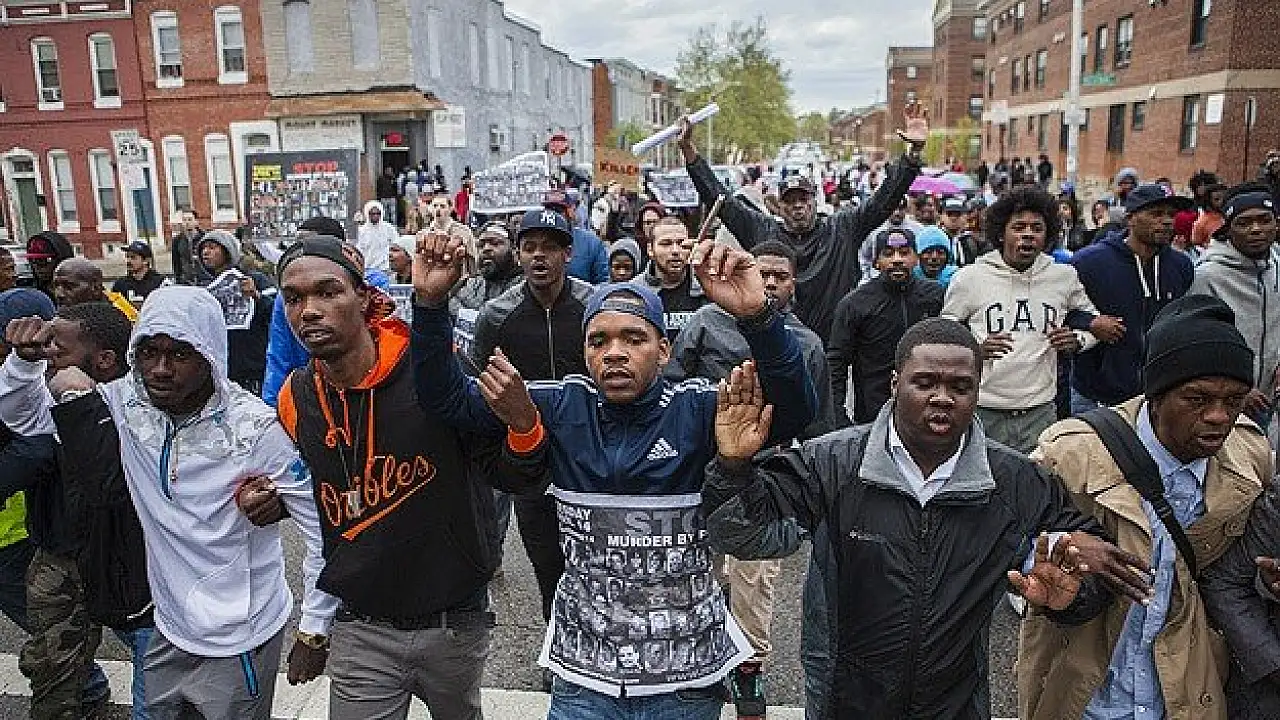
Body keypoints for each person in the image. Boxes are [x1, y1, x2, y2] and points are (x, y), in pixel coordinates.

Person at [411, 229, 817, 720]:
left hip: (685, 679)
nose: (615, 352)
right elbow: (446, 400)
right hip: (586, 678)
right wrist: (429, 306)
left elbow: (793, 410)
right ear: (585, 353)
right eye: (598, 341)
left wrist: (758, 316)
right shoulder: (561, 405)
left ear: (664, 351)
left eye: (634, 338)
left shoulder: (695, 409)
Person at [704, 317, 1149, 718]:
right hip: (845, 700)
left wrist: (1070, 598)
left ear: (978, 390)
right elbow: (744, 537)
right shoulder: (831, 462)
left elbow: (1085, 565)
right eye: (925, 382)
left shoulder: (1017, 481)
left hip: (957, 704)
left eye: (960, 386)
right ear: (895, 383)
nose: (942, 398)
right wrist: (733, 468)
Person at [24, 286, 337, 719]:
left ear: (210, 355)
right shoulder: (125, 405)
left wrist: (314, 630)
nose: (161, 369)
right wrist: (25, 366)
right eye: (149, 352)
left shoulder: (254, 429)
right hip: (166, 630)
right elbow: (24, 417)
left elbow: (321, 529)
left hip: (239, 639)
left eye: (180, 354)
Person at [262, 235, 529, 720]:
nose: (310, 311)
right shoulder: (295, 398)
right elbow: (310, 496)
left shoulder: (427, 369)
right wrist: (269, 495)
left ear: (364, 297)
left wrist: (523, 425)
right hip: (362, 624)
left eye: (328, 292)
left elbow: (504, 471)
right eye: (294, 298)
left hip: (451, 619)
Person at [1018, 294, 1269, 720]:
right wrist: (1059, 547)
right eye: (1197, 399)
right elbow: (1003, 535)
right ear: (1155, 394)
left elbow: (1245, 569)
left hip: (1186, 694)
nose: (1218, 416)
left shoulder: (1251, 458)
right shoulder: (1070, 453)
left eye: (1234, 401)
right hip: (1082, 694)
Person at [663, 239, 833, 717]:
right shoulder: (705, 322)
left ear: (793, 284)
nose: (772, 282)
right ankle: (688, 662)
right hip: (700, 474)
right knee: (691, 571)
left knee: (754, 581)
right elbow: (671, 385)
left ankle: (749, 669)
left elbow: (815, 423)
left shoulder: (805, 343)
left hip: (766, 481)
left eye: (781, 276)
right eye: (765, 273)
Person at [678, 104, 928, 343]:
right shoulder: (762, 231)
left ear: (815, 202)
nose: (798, 206)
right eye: (790, 201)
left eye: (803, 199)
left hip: (833, 350)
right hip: (776, 346)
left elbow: (884, 200)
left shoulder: (842, 229)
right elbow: (720, 200)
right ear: (779, 206)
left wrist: (913, 155)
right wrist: (689, 152)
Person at [469, 209, 593, 653]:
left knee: (596, 559)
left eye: (550, 248)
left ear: (567, 254)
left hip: (590, 456)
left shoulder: (593, 305)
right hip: (530, 458)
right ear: (519, 255)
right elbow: (480, 382)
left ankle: (599, 647)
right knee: (548, 563)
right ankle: (560, 647)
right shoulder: (496, 315)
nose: (539, 257)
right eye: (530, 248)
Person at [0, 294, 122, 719]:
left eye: (59, 350)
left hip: (126, 563)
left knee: (157, 663)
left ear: (104, 360)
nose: (48, 357)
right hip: (58, 556)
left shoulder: (135, 405)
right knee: (51, 666)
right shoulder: (51, 398)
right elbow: (18, 411)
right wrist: (23, 363)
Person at [943, 186, 1112, 453]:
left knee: (1038, 478)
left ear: (1048, 235)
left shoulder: (1063, 277)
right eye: (1019, 227)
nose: (1028, 235)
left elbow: (1095, 323)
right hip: (983, 410)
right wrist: (974, 350)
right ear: (1001, 233)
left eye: (1037, 228)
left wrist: (1077, 340)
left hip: (1040, 413)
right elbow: (943, 336)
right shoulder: (970, 278)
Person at [1070, 184, 1196, 413]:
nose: (1167, 221)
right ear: (1130, 219)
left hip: (1157, 397)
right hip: (1096, 397)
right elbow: (1060, 310)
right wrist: (1090, 323)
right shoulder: (1089, 262)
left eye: (1171, 214)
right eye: (1156, 214)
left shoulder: (1181, 265)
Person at [829, 227, 944, 425]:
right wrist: (838, 416)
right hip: (873, 414)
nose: (897, 260)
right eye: (888, 254)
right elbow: (836, 362)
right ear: (876, 262)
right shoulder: (855, 304)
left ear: (916, 258)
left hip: (927, 409)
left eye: (904, 253)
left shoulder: (935, 295)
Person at [1188, 188, 1279, 427]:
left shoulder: (1277, 267)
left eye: (1264, 220)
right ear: (1228, 229)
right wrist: (1235, 387)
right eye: (1244, 223)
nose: (1256, 229)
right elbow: (1198, 340)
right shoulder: (1207, 275)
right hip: (1224, 403)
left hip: (1271, 400)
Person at [198, 229, 276, 394]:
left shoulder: (256, 279)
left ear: (227, 251)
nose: (205, 252)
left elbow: (276, 313)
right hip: (221, 369)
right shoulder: (202, 287)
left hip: (253, 365)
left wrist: (256, 296)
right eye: (203, 248)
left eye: (212, 247)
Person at [638, 216, 706, 340]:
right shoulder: (635, 293)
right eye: (666, 244)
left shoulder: (708, 290)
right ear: (650, 250)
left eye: (682, 244)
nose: (675, 251)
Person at [544, 189, 609, 284]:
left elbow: (603, 281)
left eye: (558, 211)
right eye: (549, 211)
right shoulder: (536, 244)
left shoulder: (591, 244)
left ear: (570, 212)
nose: (553, 216)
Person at [859, 198, 926, 286]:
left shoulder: (919, 230)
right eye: (893, 208)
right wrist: (866, 279)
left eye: (900, 208)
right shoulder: (873, 229)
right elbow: (864, 257)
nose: (896, 213)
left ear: (906, 209)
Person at [50, 257, 138, 321]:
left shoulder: (124, 318)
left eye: (69, 286)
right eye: (55, 286)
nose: (59, 294)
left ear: (96, 288)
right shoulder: (60, 317)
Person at [426, 193, 478, 277]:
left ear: (450, 209)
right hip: (434, 278)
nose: (438, 209)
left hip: (459, 279)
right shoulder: (426, 233)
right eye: (435, 206)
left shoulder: (464, 231)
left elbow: (472, 258)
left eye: (442, 206)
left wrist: (474, 279)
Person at [113, 241, 169, 307]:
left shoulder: (160, 283)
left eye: (133, 257)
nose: (128, 261)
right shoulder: (120, 284)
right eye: (127, 257)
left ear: (146, 261)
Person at [25, 232, 75, 299]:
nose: (37, 266)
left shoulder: (77, 289)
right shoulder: (30, 293)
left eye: (42, 261)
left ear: (60, 259)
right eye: (31, 260)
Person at [937, 195, 985, 266]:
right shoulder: (935, 239)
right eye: (949, 214)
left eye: (958, 214)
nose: (953, 218)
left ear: (966, 216)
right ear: (941, 216)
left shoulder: (974, 240)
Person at [358, 200, 398, 274]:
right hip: (368, 270)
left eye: (378, 213)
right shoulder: (362, 231)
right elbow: (359, 250)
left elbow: (396, 245)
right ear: (367, 214)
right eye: (372, 214)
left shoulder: (389, 228)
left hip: (386, 269)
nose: (375, 216)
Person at [170, 212, 208, 286]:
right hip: (186, 280)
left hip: (204, 279)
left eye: (190, 219)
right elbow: (176, 262)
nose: (187, 223)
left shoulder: (205, 238)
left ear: (196, 221)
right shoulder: (177, 240)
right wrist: (178, 279)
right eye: (184, 220)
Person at [1191, 182, 1227, 248]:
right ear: (1209, 201)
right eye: (1217, 199)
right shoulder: (1202, 222)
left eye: (1224, 198)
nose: (1222, 201)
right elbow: (1196, 244)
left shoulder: (1231, 215)